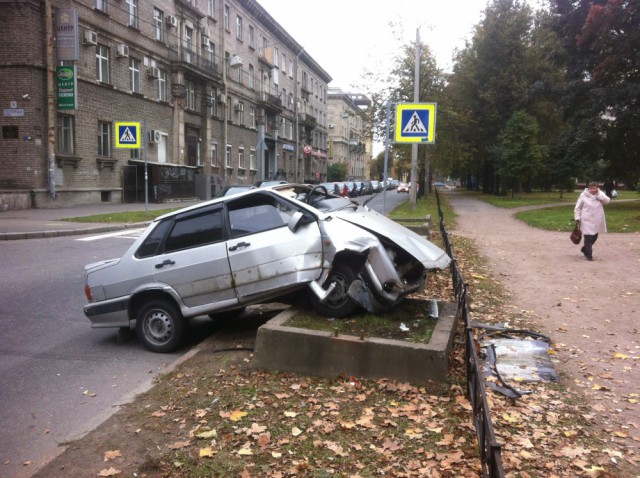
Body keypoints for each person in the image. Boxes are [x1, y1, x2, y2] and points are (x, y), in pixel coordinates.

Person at [574, 182, 610, 261]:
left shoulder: (600, 194)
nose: (592, 190)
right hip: (586, 219)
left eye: (594, 188)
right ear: (588, 188)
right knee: (588, 238)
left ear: (597, 188)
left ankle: (584, 249)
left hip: (597, 219)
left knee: (595, 236)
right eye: (591, 188)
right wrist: (577, 217)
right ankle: (589, 255)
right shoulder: (583, 195)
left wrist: (599, 196)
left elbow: (607, 201)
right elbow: (578, 207)